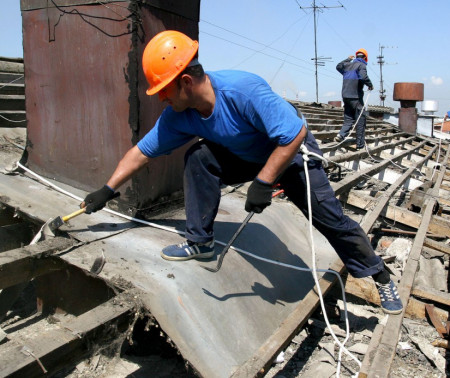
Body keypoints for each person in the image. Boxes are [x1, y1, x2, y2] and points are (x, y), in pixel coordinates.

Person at [80, 30, 403, 314]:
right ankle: (200, 242)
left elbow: (292, 136)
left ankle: (379, 275)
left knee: (330, 220)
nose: (162, 99)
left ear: (186, 82)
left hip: (291, 156)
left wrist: (264, 182)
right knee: (199, 155)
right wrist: (108, 190)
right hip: (247, 157)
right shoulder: (179, 116)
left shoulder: (242, 89)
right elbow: (141, 153)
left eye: (164, 90)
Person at [334, 49, 373, 149]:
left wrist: (347, 59)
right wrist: (370, 85)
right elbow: (363, 77)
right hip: (355, 97)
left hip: (345, 96)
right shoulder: (361, 65)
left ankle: (341, 135)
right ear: (365, 58)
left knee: (349, 118)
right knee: (360, 120)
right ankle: (360, 145)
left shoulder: (347, 65)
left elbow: (338, 66)